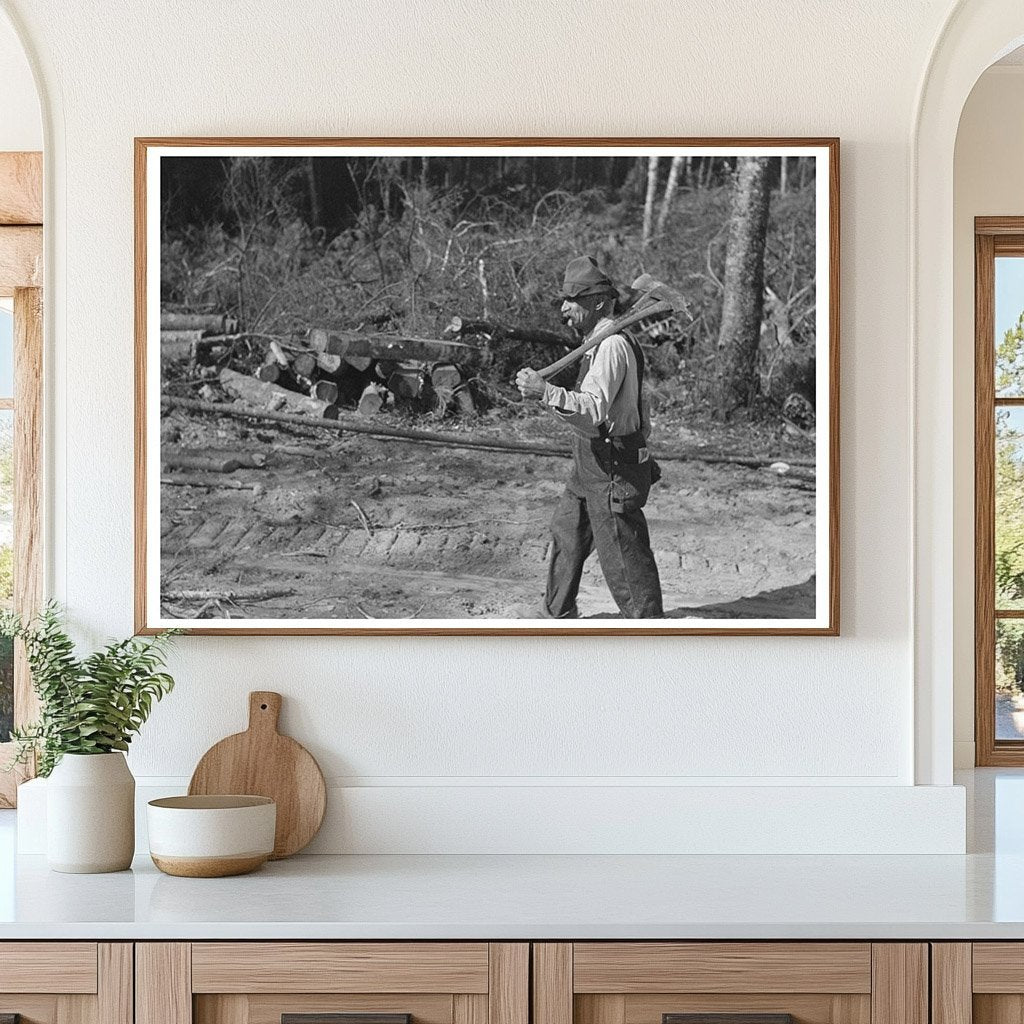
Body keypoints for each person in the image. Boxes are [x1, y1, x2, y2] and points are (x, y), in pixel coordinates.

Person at [514, 256, 664, 619]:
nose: (564, 309)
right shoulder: (597, 341)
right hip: (589, 460)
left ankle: (650, 632)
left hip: (612, 465)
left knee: (623, 554)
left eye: (572, 300)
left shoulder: (611, 346)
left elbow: (593, 410)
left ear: (597, 303)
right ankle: (557, 615)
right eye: (563, 300)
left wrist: (546, 392)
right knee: (567, 531)